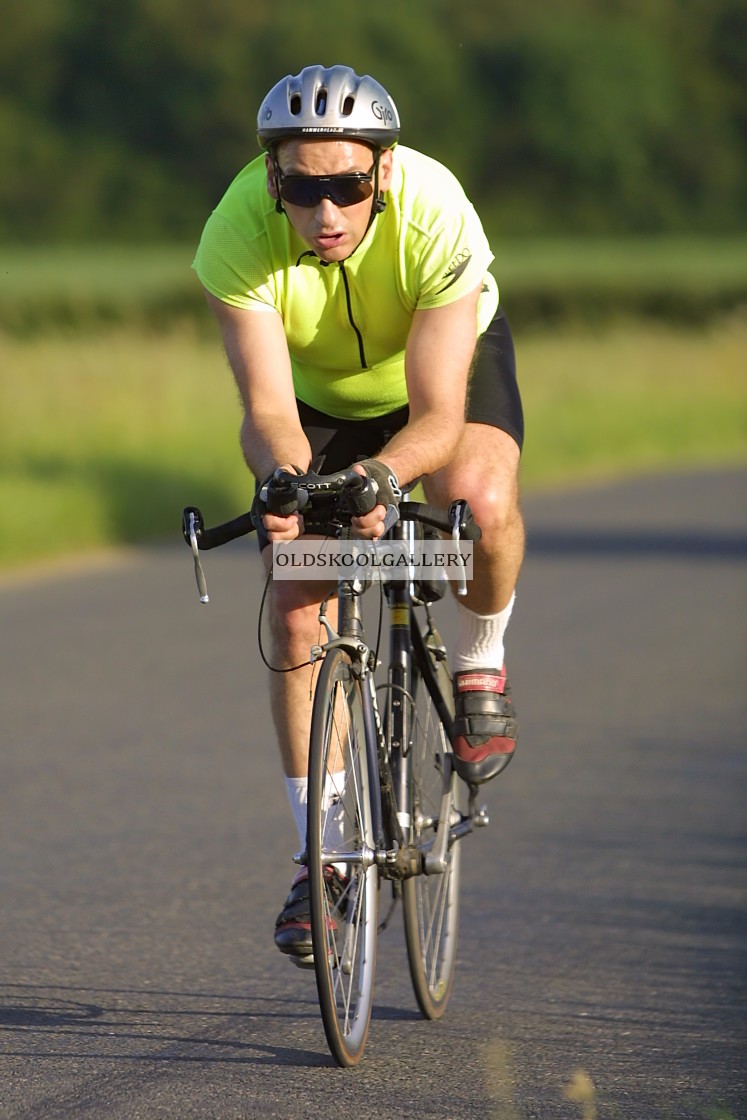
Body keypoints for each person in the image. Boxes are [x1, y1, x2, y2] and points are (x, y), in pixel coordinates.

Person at [193, 64, 525, 961]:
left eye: (346, 186)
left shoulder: (434, 210)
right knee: (298, 591)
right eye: (303, 188)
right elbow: (267, 413)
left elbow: (439, 417)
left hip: (434, 378)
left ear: (380, 174)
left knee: (478, 500)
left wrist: (382, 478)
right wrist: (284, 485)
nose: (325, 212)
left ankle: (480, 670)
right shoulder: (234, 236)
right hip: (316, 396)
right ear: (274, 181)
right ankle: (324, 857)